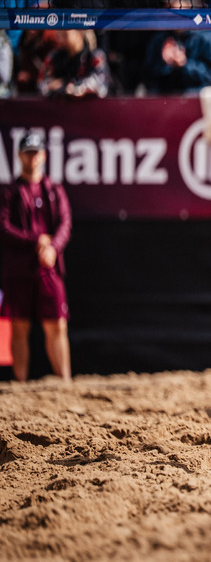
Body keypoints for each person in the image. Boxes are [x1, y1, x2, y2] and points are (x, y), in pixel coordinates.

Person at [0, 132, 73, 383]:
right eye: (27, 152)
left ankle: (64, 382)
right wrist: (36, 240)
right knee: (19, 326)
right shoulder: (10, 192)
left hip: (48, 266)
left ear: (43, 155)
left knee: (57, 325)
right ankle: (20, 383)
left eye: (36, 152)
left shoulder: (54, 190)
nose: (32, 157)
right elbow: (3, 227)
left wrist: (52, 247)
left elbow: (65, 224)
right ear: (20, 155)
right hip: (19, 269)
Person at [37, 29, 111, 99]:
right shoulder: (53, 56)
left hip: (93, 109)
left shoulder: (95, 56)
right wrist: (58, 86)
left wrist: (75, 87)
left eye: (64, 34)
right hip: (61, 109)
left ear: (80, 33)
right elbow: (41, 85)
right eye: (58, 34)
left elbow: (101, 86)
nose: (60, 38)